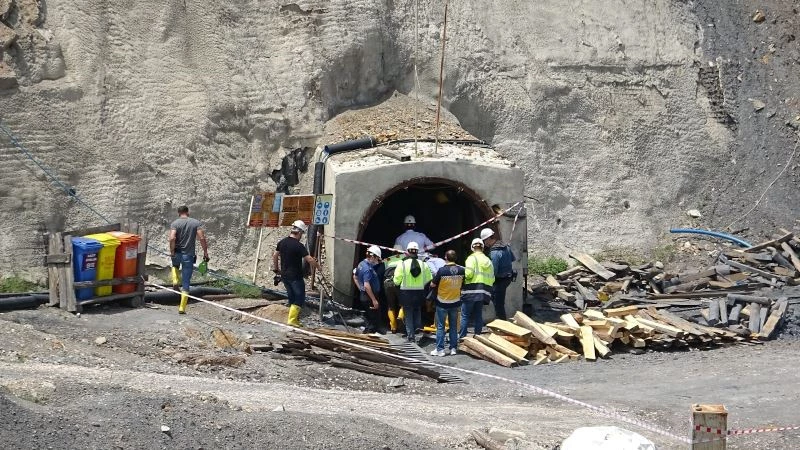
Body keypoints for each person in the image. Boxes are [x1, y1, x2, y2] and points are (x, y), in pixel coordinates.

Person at [272, 220, 319, 327]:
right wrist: (318, 267)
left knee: (291, 297)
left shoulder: (282, 242)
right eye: (302, 233)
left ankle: (293, 320)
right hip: (295, 277)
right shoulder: (299, 246)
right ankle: (292, 320)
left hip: (284, 276)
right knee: (299, 298)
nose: (301, 236)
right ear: (299, 232)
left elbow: (275, 256)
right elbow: (310, 260)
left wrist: (276, 269)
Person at [169, 205, 209, 314]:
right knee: (186, 282)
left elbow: (172, 238)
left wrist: (172, 251)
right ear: (188, 212)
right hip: (188, 255)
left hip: (177, 253)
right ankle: (182, 308)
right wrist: (205, 252)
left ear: (178, 213)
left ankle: (175, 280)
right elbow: (201, 238)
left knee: (175, 265)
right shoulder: (196, 223)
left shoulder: (175, 223)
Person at [392, 241, 432, 343]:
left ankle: (411, 336)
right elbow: (429, 279)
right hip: (419, 293)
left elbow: (396, 280)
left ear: (407, 252)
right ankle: (417, 327)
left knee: (408, 314)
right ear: (417, 252)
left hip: (406, 294)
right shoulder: (424, 265)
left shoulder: (402, 264)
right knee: (417, 310)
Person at [428, 250, 464, 356]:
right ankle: (453, 349)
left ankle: (440, 349)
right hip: (456, 301)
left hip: (442, 302)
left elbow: (433, 284)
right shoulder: (462, 270)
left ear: (446, 258)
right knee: (453, 327)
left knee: (440, 327)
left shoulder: (442, 271)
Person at [459, 238, 494, 338]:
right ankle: (478, 336)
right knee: (478, 315)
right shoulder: (488, 260)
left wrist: (463, 274)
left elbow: (469, 274)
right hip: (484, 292)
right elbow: (492, 278)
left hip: (471, 290)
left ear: (472, 247)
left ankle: (462, 337)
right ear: (482, 248)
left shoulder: (471, 258)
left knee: (465, 315)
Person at [481, 228, 516, 320]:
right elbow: (512, 259)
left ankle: (502, 323)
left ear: (489, 238)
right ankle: (501, 321)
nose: (484, 243)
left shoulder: (494, 252)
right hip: (508, 277)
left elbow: (494, 271)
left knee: (498, 303)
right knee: (499, 301)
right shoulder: (506, 247)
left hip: (499, 280)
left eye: (484, 241)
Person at [354, 245, 384, 334]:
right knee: (372, 317)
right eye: (376, 258)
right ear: (372, 256)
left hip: (365, 295)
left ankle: (372, 330)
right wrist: (374, 300)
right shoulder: (368, 269)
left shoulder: (361, 264)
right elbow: (367, 285)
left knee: (371, 314)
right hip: (370, 296)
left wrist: (360, 289)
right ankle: (370, 333)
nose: (377, 261)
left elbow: (355, 277)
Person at [382, 245, 406, 333]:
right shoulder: (404, 258)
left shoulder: (387, 260)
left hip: (387, 283)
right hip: (398, 283)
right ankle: (400, 317)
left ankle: (393, 327)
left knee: (390, 306)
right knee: (404, 303)